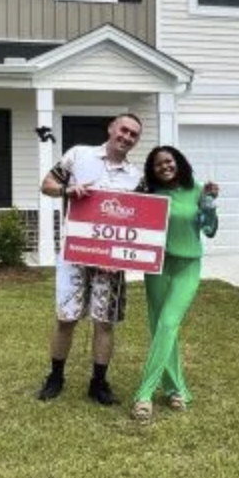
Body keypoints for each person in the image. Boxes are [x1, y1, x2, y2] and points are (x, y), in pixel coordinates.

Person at [37, 113, 144, 405]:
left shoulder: (136, 177)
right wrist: (67, 190)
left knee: (105, 322)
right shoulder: (78, 155)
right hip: (74, 253)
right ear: (111, 128)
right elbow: (46, 184)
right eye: (123, 130)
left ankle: (98, 383)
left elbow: (139, 222)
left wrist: (124, 258)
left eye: (133, 134)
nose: (127, 137)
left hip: (112, 261)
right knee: (66, 319)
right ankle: (55, 377)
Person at [131, 146, 219, 421]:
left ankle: (144, 394)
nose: (164, 167)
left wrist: (209, 205)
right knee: (160, 326)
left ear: (178, 162)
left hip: (187, 266)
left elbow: (209, 229)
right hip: (157, 266)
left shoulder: (197, 189)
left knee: (169, 323)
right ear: (152, 170)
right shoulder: (150, 194)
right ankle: (174, 390)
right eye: (158, 164)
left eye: (168, 161)